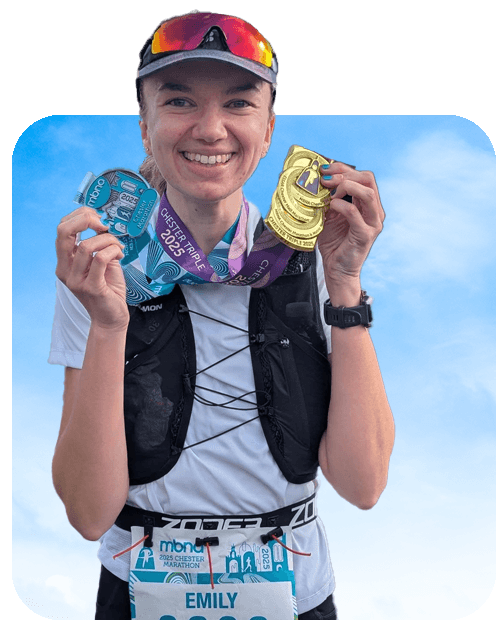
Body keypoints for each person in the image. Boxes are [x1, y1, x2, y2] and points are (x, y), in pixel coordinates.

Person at [50, 11, 395, 620]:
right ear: (145, 125)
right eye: (179, 100)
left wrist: (344, 285)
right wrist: (108, 325)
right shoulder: (104, 269)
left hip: (297, 592)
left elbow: (363, 485)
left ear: (267, 130)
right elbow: (86, 511)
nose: (210, 129)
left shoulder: (316, 259)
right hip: (136, 593)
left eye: (238, 104)